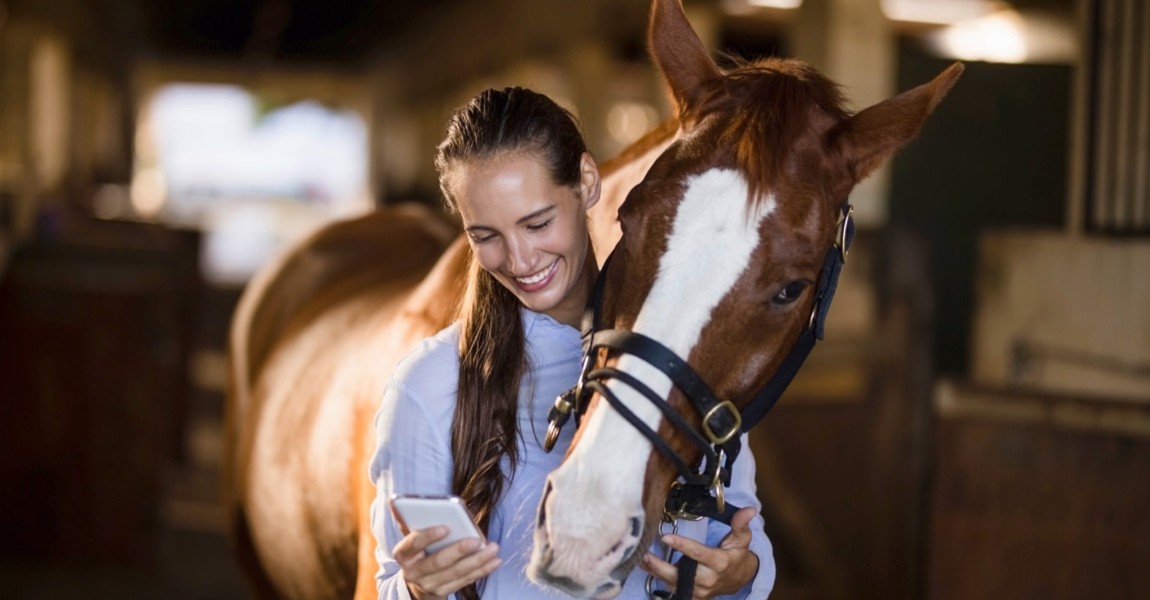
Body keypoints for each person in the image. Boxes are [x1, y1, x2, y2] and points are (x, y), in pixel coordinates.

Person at [368, 86, 775, 600]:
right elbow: (389, 584)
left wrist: (739, 574)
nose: (518, 260)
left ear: (586, 182)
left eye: (537, 223)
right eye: (485, 235)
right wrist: (416, 589)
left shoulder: (684, 356)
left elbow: (743, 529)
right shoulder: (427, 386)